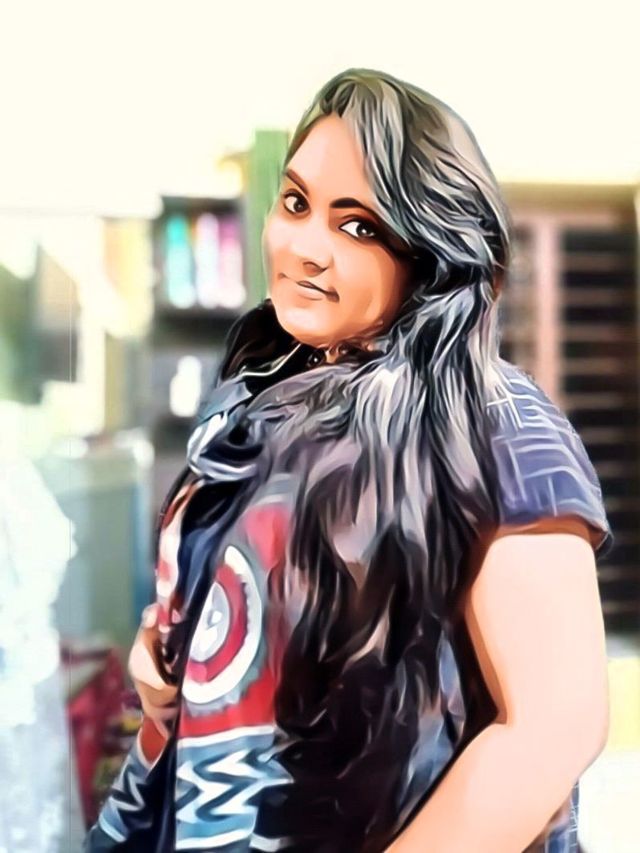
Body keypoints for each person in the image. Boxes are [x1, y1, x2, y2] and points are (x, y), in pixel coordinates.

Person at [85, 68, 613, 852]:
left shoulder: (497, 421)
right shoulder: (261, 395)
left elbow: (552, 727)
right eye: (296, 204)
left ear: (431, 252)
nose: (305, 248)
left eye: (358, 226)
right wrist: (166, 656)